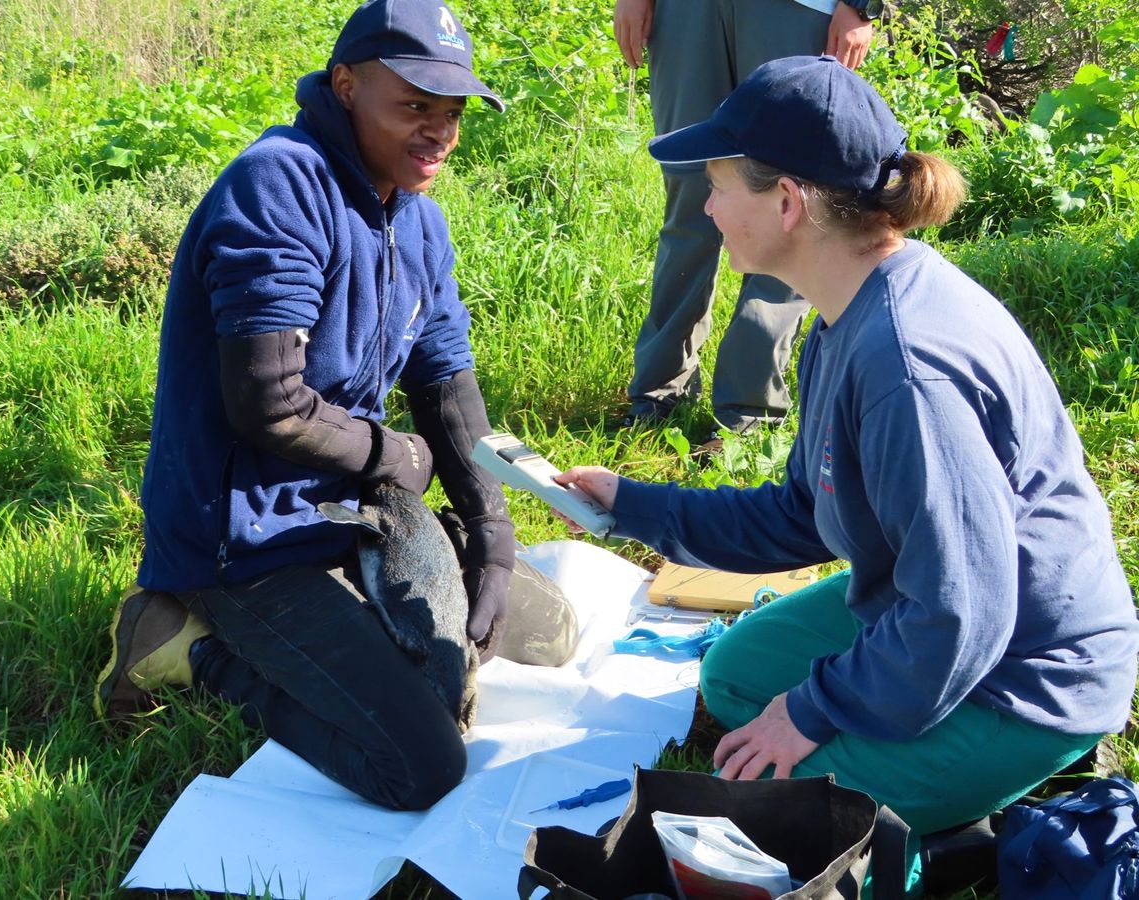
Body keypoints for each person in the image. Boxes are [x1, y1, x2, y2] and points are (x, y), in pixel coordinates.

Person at [555, 55, 1139, 890]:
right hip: (931, 606)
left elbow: (962, 612)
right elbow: (803, 511)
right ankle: (916, 775)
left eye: (719, 184)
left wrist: (812, 710)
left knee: (767, 810)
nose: (709, 205)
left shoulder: (908, 366)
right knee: (735, 679)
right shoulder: (848, 311)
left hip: (1023, 674)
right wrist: (634, 505)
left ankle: (960, 839)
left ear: (787, 201)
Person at [94, 0, 578, 812]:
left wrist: (492, 538)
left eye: (452, 111)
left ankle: (371, 603)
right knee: (422, 766)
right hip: (248, 540)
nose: (439, 132)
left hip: (349, 507)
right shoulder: (278, 185)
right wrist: (397, 460)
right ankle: (184, 642)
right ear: (346, 85)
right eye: (415, 106)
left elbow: (447, 389)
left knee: (545, 633)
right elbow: (270, 406)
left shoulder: (417, 220)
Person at [613, 0, 875, 439]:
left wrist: (861, 5)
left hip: (800, 8)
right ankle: (659, 391)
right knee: (690, 194)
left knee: (789, 200)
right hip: (686, 12)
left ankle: (748, 409)